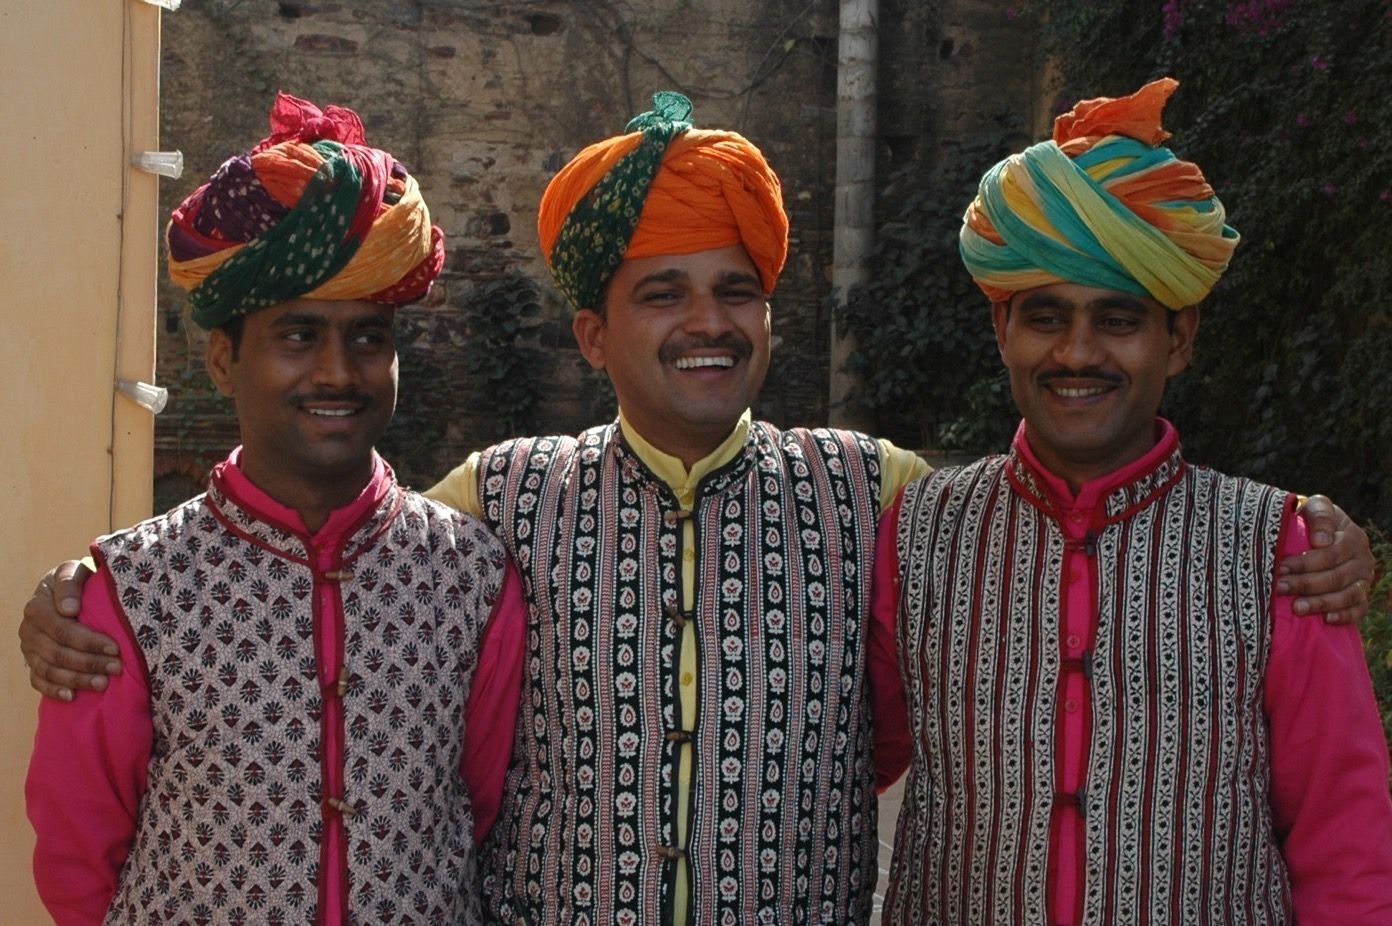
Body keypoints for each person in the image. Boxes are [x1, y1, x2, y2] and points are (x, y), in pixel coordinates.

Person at [20, 91, 1375, 925]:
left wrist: (1317, 545)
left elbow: (909, 710)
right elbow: (338, 555)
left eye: (735, 288)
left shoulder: (885, 496)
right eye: (662, 292)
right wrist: (76, 592)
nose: (707, 322)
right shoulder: (494, 502)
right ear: (594, 330)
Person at [874, 78, 1392, 925]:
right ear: (1002, 330)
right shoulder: (919, 533)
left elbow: (1347, 841)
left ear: (1177, 339)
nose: (1077, 353)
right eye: (1046, 317)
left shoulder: (1279, 551)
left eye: (1118, 319)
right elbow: (844, 758)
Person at [24, 93, 527, 926]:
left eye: (368, 337)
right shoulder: (131, 591)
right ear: (223, 361)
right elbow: (80, 853)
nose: (338, 371)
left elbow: (480, 803)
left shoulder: (472, 575)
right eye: (297, 336)